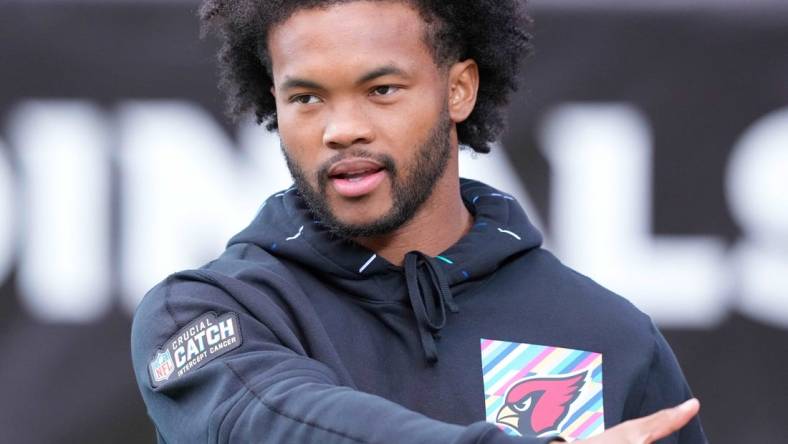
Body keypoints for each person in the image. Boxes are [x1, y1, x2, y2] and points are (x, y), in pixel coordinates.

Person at [131, 1, 706, 442]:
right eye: (306, 98)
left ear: (458, 90)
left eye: (381, 89)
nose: (342, 129)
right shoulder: (206, 314)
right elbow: (277, 423)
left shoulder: (609, 335)